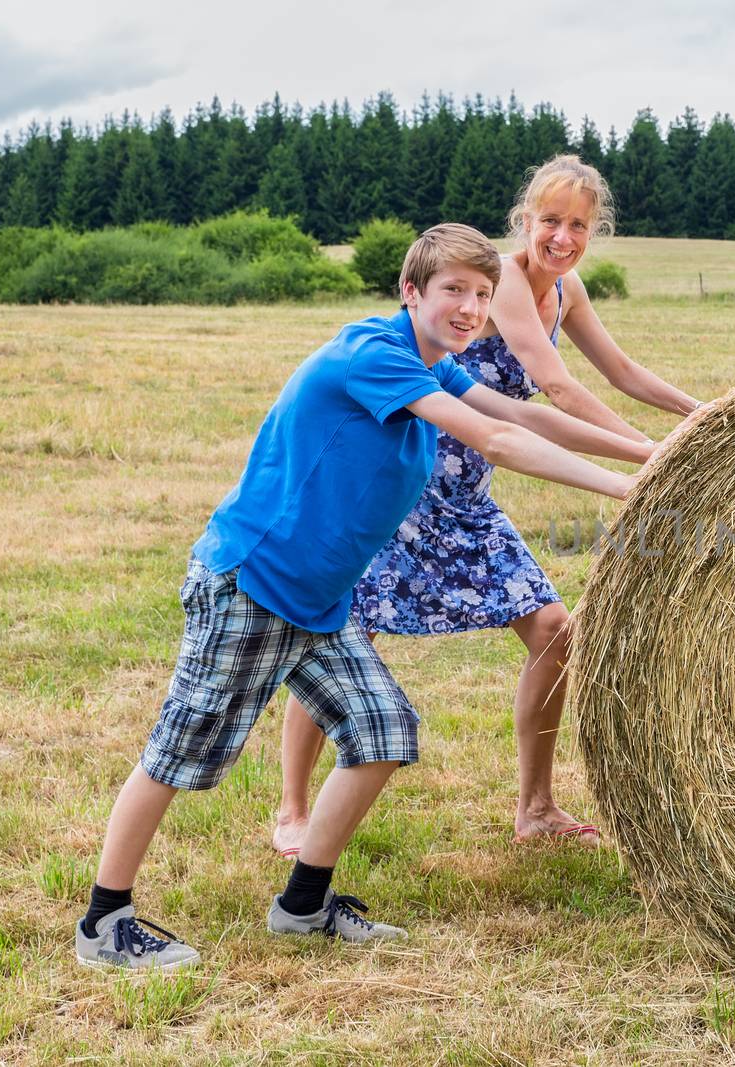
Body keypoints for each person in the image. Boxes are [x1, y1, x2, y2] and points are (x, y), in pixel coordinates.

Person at [76, 223, 652, 970]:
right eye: (453, 291)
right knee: (179, 751)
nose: (471, 307)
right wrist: (626, 488)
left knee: (382, 733)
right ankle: (105, 921)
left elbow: (523, 415)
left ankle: (303, 905)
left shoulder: (433, 365)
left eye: (482, 293)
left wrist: (653, 451)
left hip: (320, 601)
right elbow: (497, 442)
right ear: (410, 292)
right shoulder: (376, 355)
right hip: (253, 584)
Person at [272, 156, 699, 854]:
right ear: (524, 220)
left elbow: (621, 372)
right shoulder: (495, 285)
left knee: (554, 631)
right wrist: (654, 456)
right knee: (349, 632)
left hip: (470, 494)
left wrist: (704, 418)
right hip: (411, 484)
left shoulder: (566, 289)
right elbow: (557, 389)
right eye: (550, 221)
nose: (562, 237)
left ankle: (537, 806)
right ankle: (292, 809)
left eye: (579, 225)